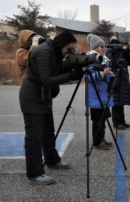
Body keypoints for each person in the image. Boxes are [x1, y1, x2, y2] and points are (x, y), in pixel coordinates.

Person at [19, 31, 83, 185]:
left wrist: (75, 64)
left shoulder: (54, 52)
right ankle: (34, 175)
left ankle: (52, 160)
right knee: (34, 136)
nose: (69, 52)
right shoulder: (43, 52)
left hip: (43, 97)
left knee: (48, 131)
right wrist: (71, 75)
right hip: (32, 98)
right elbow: (47, 79)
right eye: (69, 49)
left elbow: (57, 68)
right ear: (62, 45)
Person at [86, 33, 114, 150]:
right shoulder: (90, 58)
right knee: (97, 119)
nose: (104, 48)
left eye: (104, 46)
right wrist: (103, 73)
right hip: (96, 95)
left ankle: (102, 137)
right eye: (102, 46)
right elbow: (87, 77)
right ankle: (97, 141)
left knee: (103, 119)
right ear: (95, 48)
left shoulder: (103, 59)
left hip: (103, 94)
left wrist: (111, 75)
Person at [106, 36, 130, 130]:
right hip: (115, 79)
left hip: (124, 79)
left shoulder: (121, 52)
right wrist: (117, 53)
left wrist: (127, 53)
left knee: (121, 102)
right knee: (116, 102)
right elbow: (114, 63)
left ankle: (122, 120)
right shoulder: (109, 52)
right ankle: (116, 122)